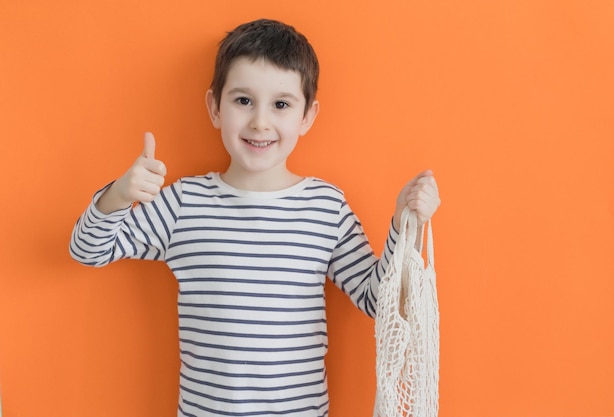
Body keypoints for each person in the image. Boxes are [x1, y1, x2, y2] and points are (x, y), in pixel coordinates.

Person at [70, 18, 440, 417]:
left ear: (307, 117)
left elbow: (376, 301)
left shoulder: (326, 207)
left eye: (281, 104)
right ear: (214, 107)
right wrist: (119, 195)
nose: (260, 122)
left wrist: (406, 224)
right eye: (243, 100)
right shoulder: (184, 203)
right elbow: (87, 250)